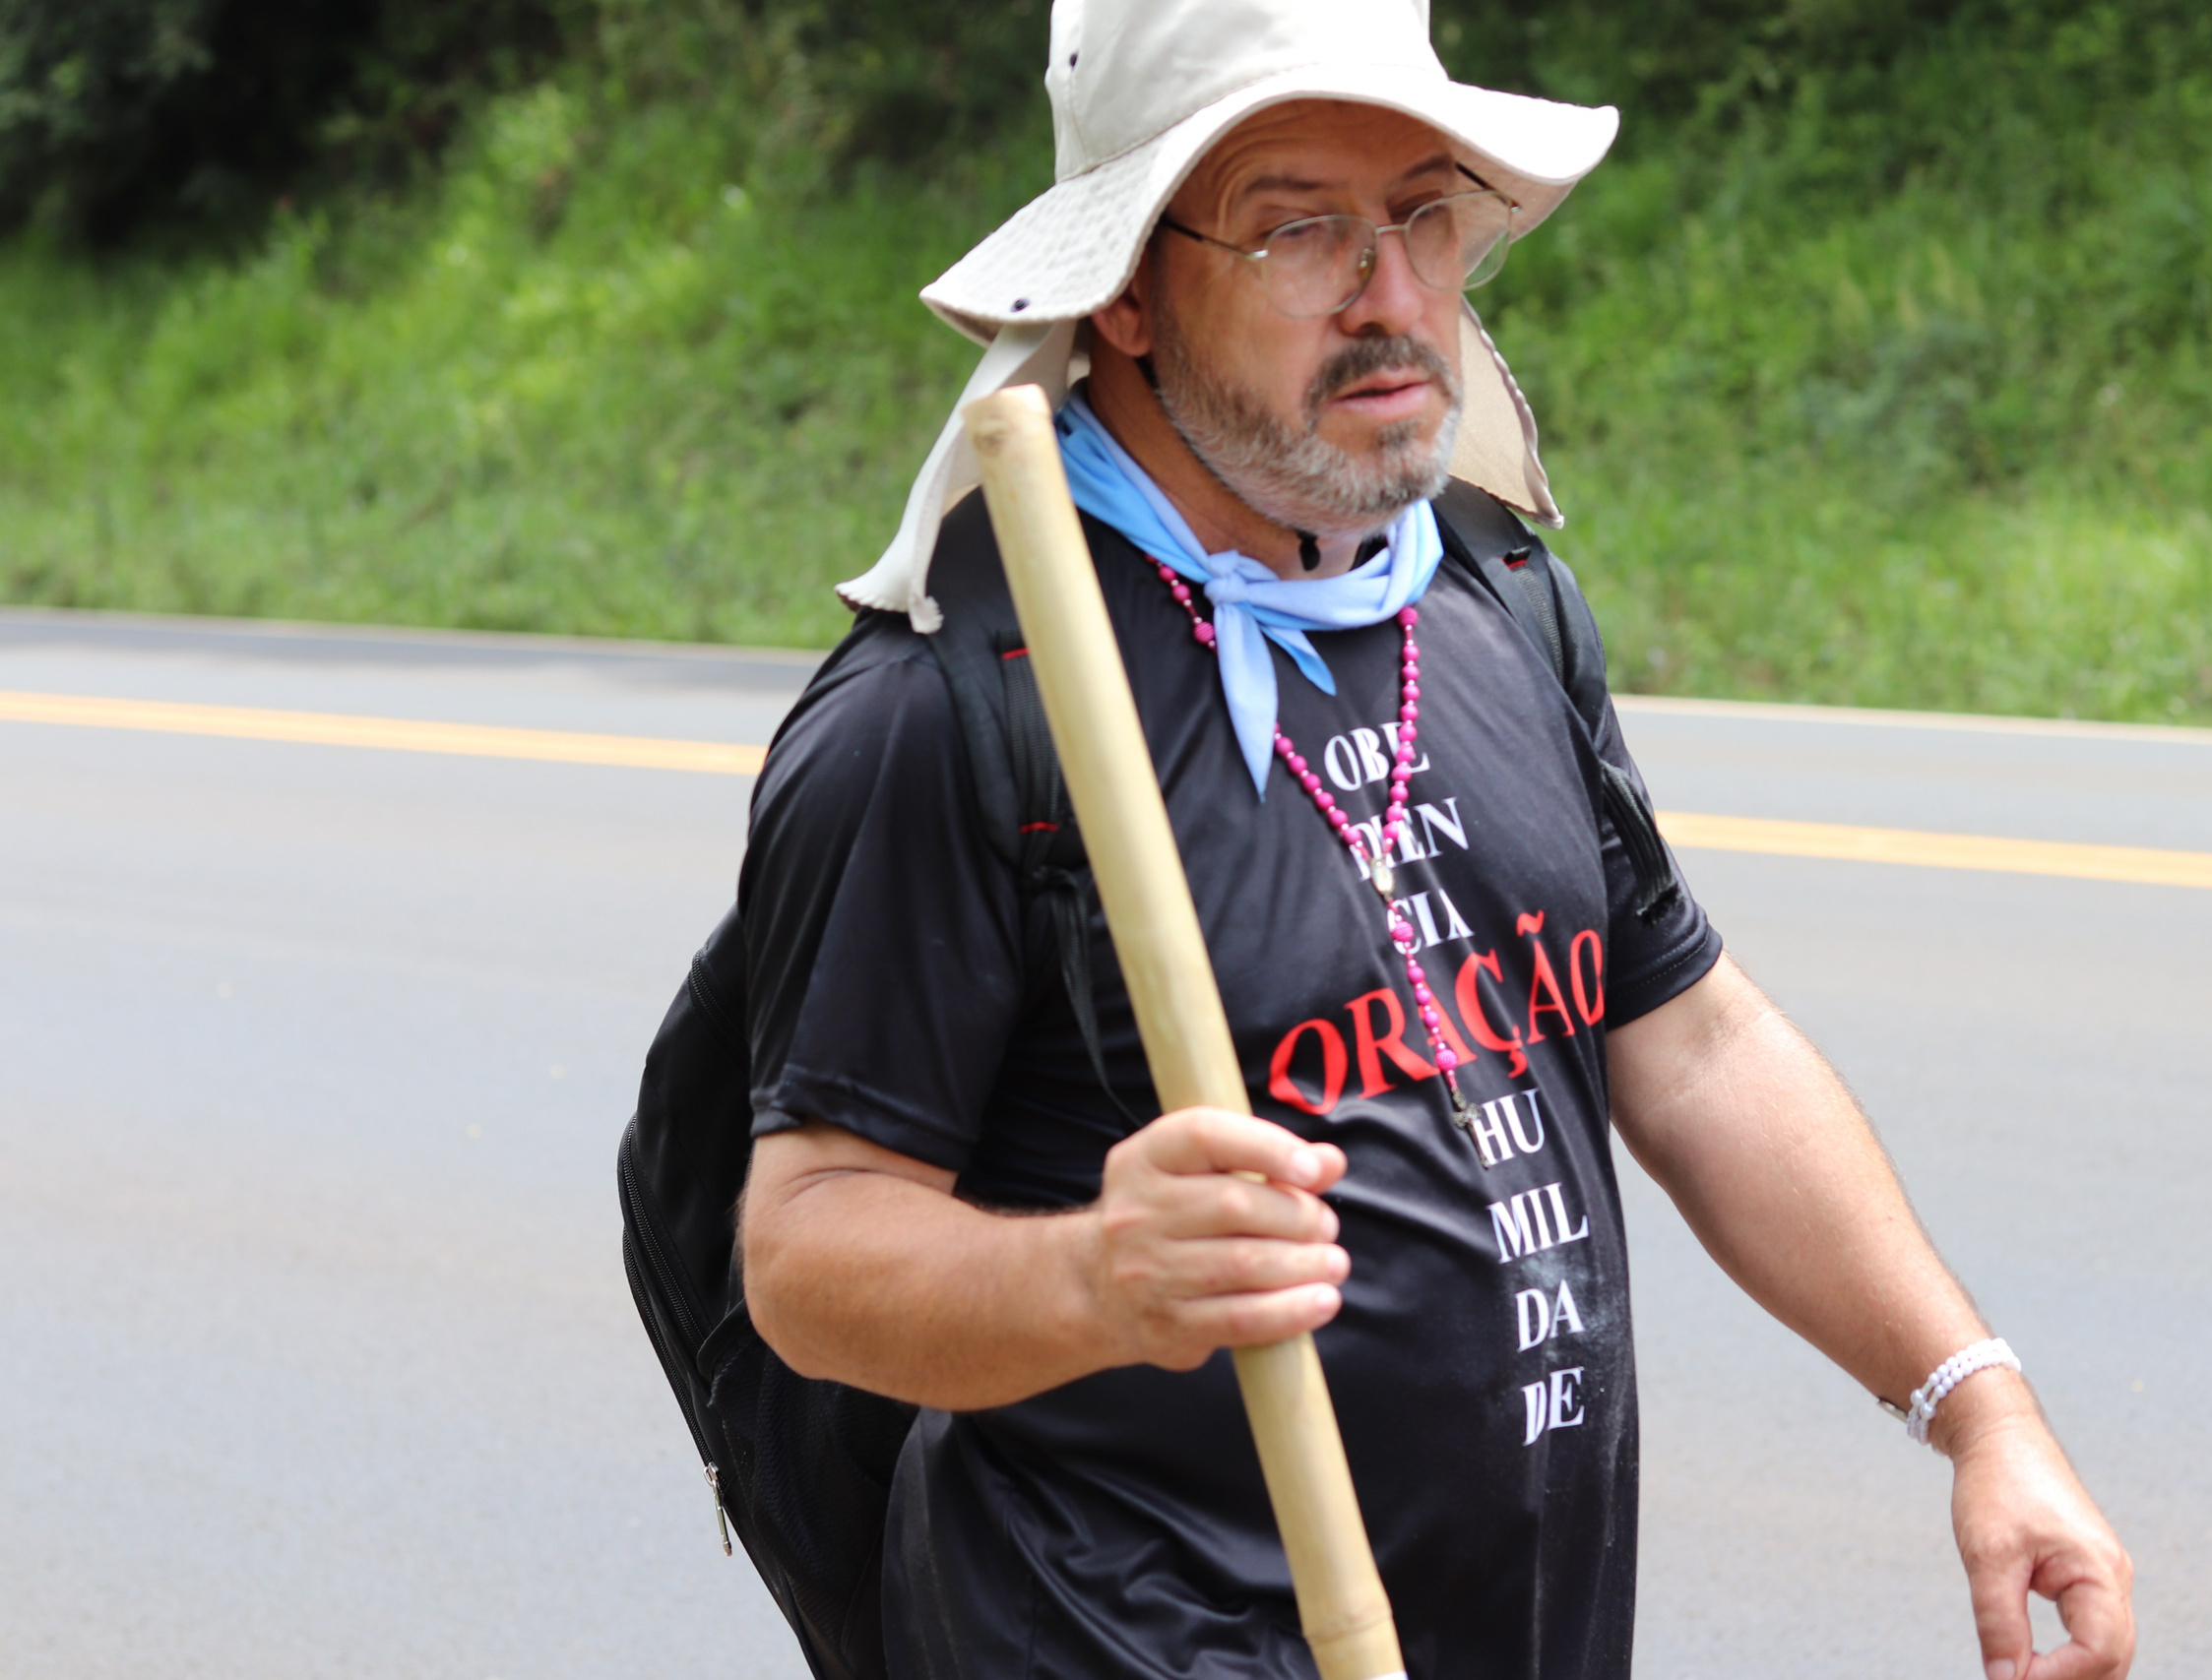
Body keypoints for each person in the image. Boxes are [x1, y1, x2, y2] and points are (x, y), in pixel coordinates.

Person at [735, 2, 2136, 1676]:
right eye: (1297, 226)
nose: (1390, 292)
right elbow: (807, 1246)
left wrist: (1976, 1405)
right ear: (1121, 288)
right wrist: (1098, 1279)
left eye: (1422, 215)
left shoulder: (1492, 595)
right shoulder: (956, 706)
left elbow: (1688, 1042)